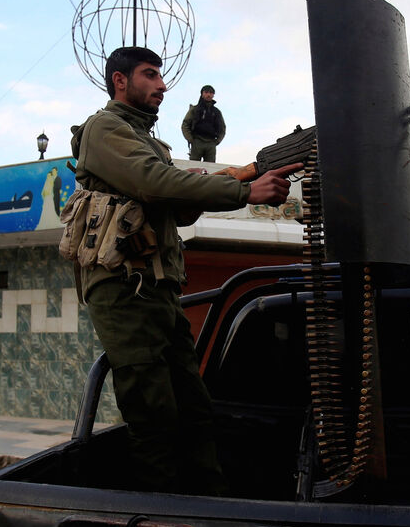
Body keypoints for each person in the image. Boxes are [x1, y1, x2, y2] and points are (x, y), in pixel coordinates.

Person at [69, 46, 300, 495]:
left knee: (195, 410)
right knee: (153, 416)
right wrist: (245, 191)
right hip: (123, 290)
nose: (162, 85)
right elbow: (155, 184)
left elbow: (178, 209)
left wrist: (249, 174)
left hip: (157, 291)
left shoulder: (149, 141)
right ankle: (159, 526)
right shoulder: (105, 129)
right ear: (120, 80)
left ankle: (210, 510)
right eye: (151, 75)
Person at [180, 84, 225, 162]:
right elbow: (185, 124)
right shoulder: (195, 109)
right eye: (206, 92)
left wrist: (217, 141)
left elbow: (222, 128)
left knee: (211, 169)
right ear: (202, 94)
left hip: (211, 142)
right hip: (197, 141)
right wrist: (190, 139)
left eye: (211, 93)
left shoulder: (216, 112)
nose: (208, 94)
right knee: (194, 167)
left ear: (213, 95)